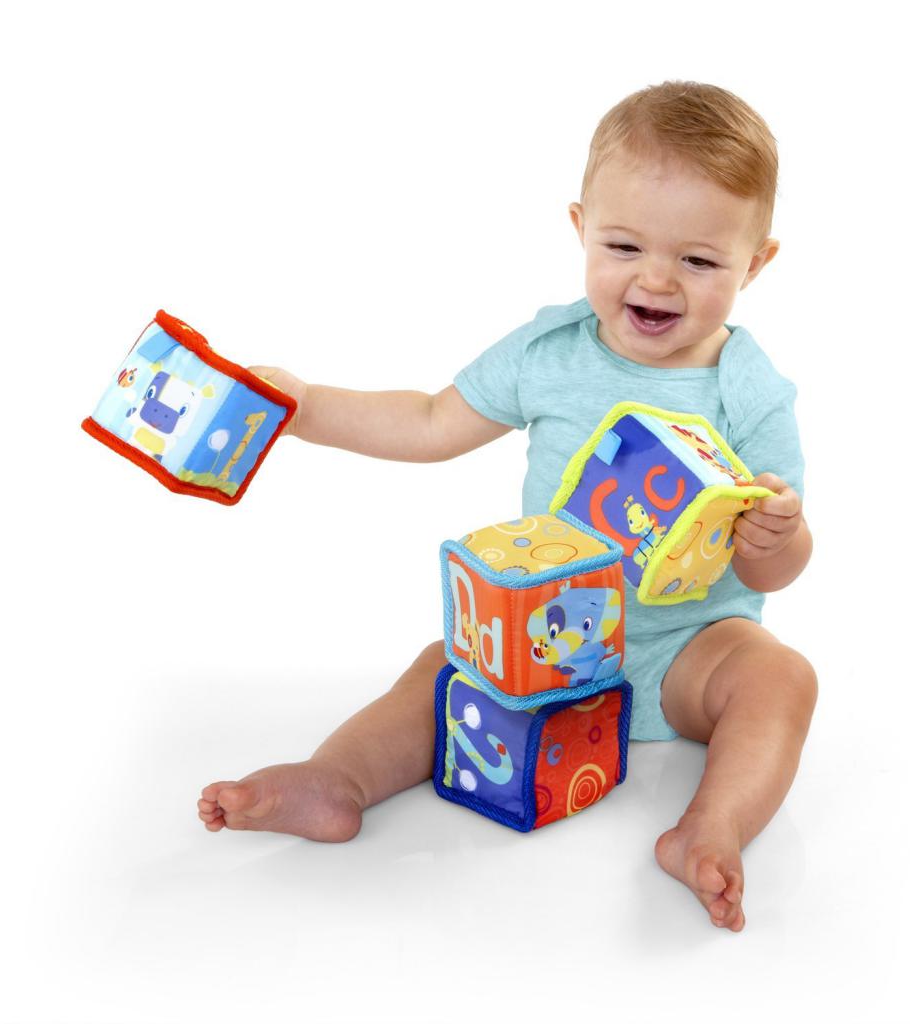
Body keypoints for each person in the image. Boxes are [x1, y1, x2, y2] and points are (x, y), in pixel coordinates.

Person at [196, 81, 817, 933]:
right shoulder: (549, 352)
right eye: (624, 244)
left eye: (701, 261)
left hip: (686, 651)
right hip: (540, 634)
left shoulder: (750, 391)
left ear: (755, 262)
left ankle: (713, 827)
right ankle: (334, 779)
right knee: (440, 670)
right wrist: (304, 407)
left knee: (780, 674)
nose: (657, 279)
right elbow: (427, 422)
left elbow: (777, 565)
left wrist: (776, 535)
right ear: (579, 228)